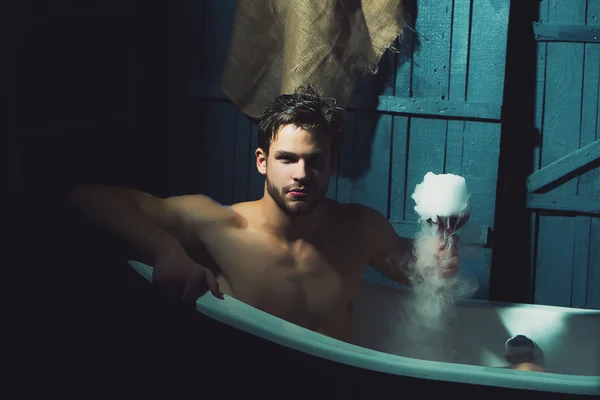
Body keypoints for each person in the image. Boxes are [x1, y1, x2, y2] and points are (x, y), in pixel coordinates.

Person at [67, 85, 460, 342]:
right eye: (287, 159)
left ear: (331, 164)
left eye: (315, 161)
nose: (302, 174)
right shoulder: (221, 225)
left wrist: (437, 260)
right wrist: (165, 250)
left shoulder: (361, 228)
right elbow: (87, 197)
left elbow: (414, 270)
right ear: (261, 161)